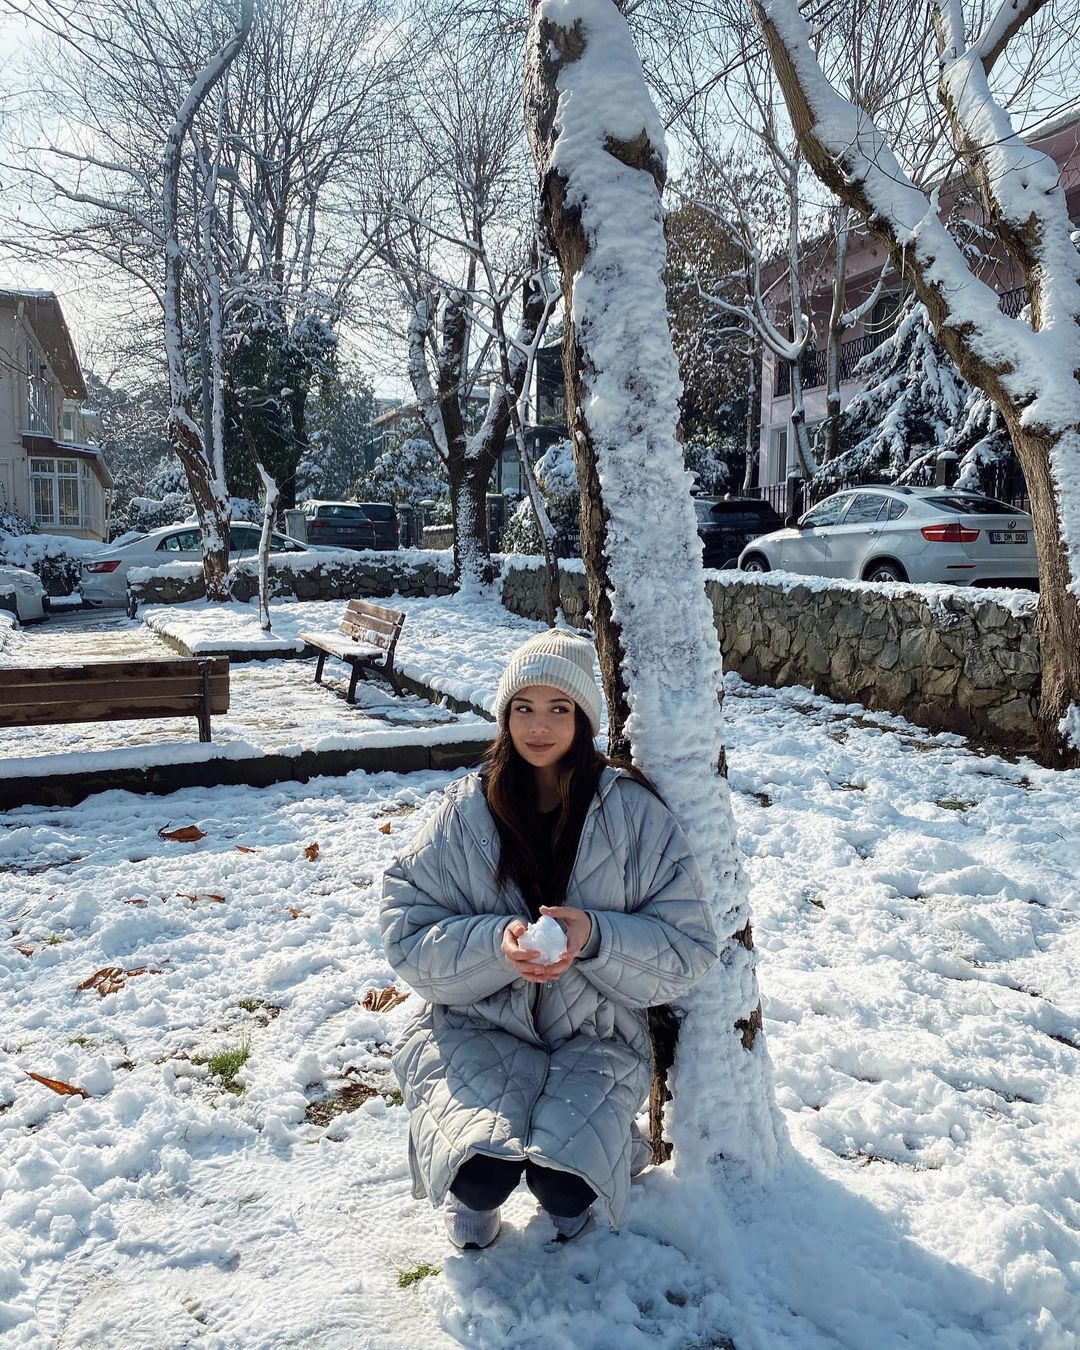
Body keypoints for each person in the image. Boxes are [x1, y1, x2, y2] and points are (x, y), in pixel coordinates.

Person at [380, 629, 719, 1248]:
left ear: (583, 718)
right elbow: (406, 928)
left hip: (594, 1036)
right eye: (523, 708)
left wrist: (596, 936)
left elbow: (689, 947)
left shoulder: (635, 814)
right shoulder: (465, 813)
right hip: (478, 1026)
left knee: (564, 1185)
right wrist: (495, 945)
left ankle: (593, 1167)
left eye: (559, 709)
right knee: (479, 1174)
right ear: (504, 716)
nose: (539, 726)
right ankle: (474, 1197)